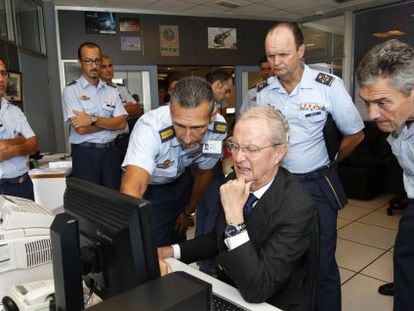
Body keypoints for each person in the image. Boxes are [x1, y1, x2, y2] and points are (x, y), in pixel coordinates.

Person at [247, 22, 365, 311]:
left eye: (283, 55)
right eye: (270, 56)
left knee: (321, 259)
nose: (275, 63)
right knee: (283, 256)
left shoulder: (328, 86)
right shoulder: (264, 92)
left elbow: (356, 134)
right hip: (278, 186)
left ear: (301, 51)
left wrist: (333, 162)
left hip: (315, 185)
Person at [158, 106, 315, 310]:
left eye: (251, 149)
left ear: (279, 153)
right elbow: (217, 239)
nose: (238, 158)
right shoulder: (236, 180)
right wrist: (171, 251)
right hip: (230, 289)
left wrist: (234, 218)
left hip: (272, 303)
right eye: (235, 145)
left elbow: (258, 288)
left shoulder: (297, 207)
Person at [121, 77, 227, 247]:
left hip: (181, 181)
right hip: (151, 187)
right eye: (180, 125)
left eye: (197, 128)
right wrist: (134, 237)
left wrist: (188, 211)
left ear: (212, 116)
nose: (187, 137)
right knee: (151, 243)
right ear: (170, 111)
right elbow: (133, 186)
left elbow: (204, 172)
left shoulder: (218, 129)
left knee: (177, 237)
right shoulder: (150, 127)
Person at [356, 39, 414, 311]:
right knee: (405, 257)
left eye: (381, 102)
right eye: (367, 102)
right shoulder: (398, 118)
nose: (372, 114)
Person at [62, 42, 127, 190]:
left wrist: (92, 120)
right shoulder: (71, 91)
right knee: (90, 202)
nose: (94, 65)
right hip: (86, 154)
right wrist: (111, 124)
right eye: (88, 61)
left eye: (97, 60)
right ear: (80, 62)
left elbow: (122, 124)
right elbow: (81, 129)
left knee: (114, 199)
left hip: (111, 153)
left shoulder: (111, 90)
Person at [0, 58, 38, 200]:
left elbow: (34, 143)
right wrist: (21, 141)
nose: (1, 79)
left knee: (34, 223)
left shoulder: (14, 111)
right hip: (2, 187)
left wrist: (11, 148)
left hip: (25, 184)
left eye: (3, 73)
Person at [99, 54, 142, 164]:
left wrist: (116, 111)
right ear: (97, 70)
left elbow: (137, 109)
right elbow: (103, 117)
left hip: (125, 140)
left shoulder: (120, 88)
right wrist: (126, 110)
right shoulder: (97, 91)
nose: (108, 70)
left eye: (110, 66)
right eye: (104, 67)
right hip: (108, 142)